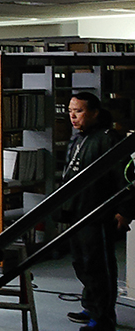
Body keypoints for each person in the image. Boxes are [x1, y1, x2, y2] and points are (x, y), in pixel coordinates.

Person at [59, 92, 134, 331]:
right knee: (81, 264)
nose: (73, 116)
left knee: (98, 267)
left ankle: (103, 318)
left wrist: (125, 211)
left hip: (98, 214)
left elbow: (126, 178)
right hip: (76, 213)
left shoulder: (108, 139)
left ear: (94, 113)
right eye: (70, 111)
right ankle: (90, 307)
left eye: (79, 111)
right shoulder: (78, 138)